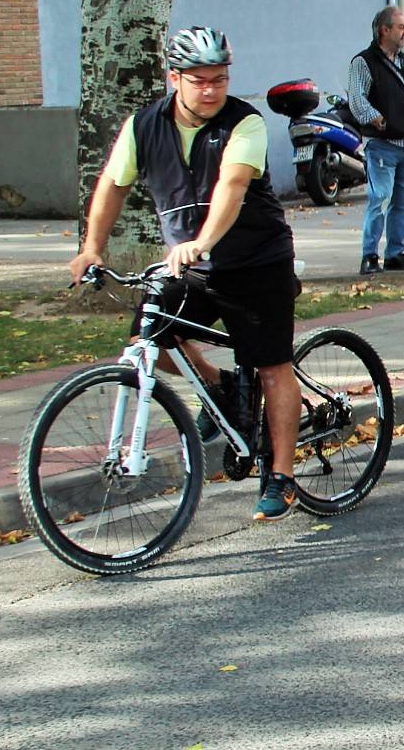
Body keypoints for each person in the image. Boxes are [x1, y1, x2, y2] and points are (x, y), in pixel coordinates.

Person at [67, 26, 304, 521]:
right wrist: (92, 248)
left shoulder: (246, 123)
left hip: (255, 260)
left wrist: (203, 242)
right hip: (190, 264)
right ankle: (219, 385)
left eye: (219, 79)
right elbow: (112, 186)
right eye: (199, 81)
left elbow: (233, 186)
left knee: (270, 365)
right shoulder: (144, 126)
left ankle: (281, 475)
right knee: (149, 337)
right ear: (174, 78)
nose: (212, 90)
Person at [346, 4, 404, 274]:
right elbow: (356, 99)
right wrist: (375, 118)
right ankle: (369, 256)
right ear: (385, 30)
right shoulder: (364, 61)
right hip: (383, 145)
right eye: (401, 27)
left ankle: (396, 253)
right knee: (380, 199)